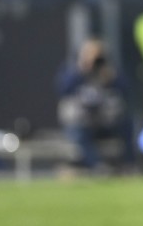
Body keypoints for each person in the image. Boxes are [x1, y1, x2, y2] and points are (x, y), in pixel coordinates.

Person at [56, 38, 135, 173]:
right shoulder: (74, 70)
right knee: (78, 134)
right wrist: (82, 68)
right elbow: (62, 88)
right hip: (83, 121)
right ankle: (98, 166)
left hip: (105, 120)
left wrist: (111, 77)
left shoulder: (109, 70)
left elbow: (126, 90)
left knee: (127, 125)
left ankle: (129, 165)